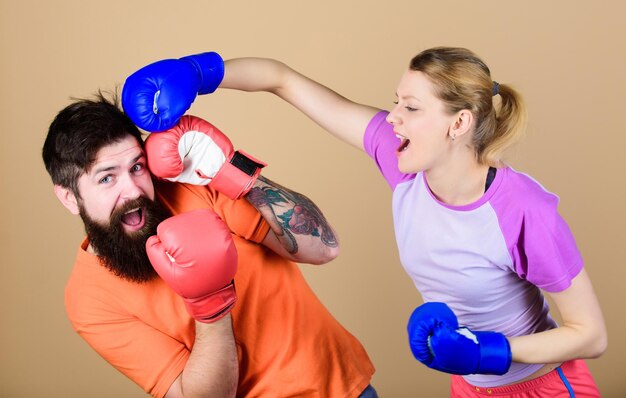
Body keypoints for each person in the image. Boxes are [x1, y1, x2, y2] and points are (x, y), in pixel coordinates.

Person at [121, 47, 608, 396]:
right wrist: (199, 71)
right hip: (470, 385)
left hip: (543, 385)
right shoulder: (400, 159)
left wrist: (489, 353)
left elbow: (591, 335)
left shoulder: (523, 211)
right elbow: (282, 79)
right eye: (396, 101)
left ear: (458, 124)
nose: (393, 118)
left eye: (411, 108)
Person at [42, 91, 377, 397]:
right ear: (69, 197)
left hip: (345, 387)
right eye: (107, 177)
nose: (132, 190)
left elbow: (324, 247)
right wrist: (209, 304)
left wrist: (229, 168)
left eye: (137, 167)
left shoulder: (192, 185)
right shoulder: (89, 300)